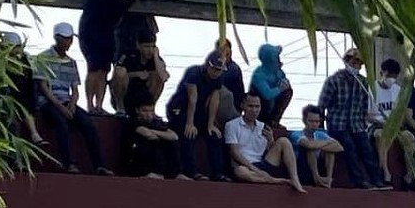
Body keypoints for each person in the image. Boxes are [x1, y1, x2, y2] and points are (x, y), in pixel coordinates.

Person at [34, 23, 112, 175]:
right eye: (65, 39)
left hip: (66, 101)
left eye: (70, 39)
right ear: (57, 38)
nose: (68, 42)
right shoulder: (42, 58)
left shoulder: (71, 62)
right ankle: (69, 163)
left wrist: (71, 104)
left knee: (88, 123)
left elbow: (75, 90)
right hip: (47, 102)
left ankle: (100, 165)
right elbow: (43, 88)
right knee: (61, 123)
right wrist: (61, 107)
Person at [320, 47, 392, 190]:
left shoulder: (363, 83)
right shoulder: (334, 81)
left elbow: (364, 106)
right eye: (355, 61)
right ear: (347, 61)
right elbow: (322, 105)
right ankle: (359, 182)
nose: (357, 65)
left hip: (357, 124)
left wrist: (363, 123)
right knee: (350, 148)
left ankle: (376, 180)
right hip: (337, 124)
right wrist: (321, 128)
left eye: (359, 63)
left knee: (367, 149)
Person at [166, 53, 229, 181]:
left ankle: (217, 173)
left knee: (214, 135)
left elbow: (214, 99)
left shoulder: (219, 78)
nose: (216, 73)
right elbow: (192, 98)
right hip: (180, 107)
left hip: (199, 110)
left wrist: (210, 124)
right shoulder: (194, 73)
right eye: (214, 69)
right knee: (187, 134)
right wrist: (190, 123)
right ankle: (191, 171)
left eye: (219, 70)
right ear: (207, 65)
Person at [225, 94, 306, 192]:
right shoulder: (232, 125)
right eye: (250, 106)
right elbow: (234, 152)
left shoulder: (263, 127)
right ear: (243, 106)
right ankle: (274, 181)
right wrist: (256, 170)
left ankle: (295, 179)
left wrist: (271, 141)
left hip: (263, 164)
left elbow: (272, 153)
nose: (254, 110)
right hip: (245, 165)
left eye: (257, 107)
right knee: (240, 172)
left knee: (284, 141)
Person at [76, 0, 130, 114]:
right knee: (94, 68)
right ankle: (90, 105)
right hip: (92, 29)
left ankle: (99, 105)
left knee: (104, 70)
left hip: (107, 31)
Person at [122, 98, 183, 179]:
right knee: (148, 141)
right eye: (145, 111)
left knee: (172, 143)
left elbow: (174, 136)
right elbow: (148, 135)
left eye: (151, 111)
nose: (148, 114)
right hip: (134, 159)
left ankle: (176, 173)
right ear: (137, 110)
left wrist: (154, 131)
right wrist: (160, 134)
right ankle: (149, 172)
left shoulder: (156, 122)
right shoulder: (132, 121)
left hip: (157, 155)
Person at [110, 28, 167, 115]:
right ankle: (120, 108)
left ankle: (151, 109)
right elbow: (116, 74)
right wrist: (135, 74)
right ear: (138, 45)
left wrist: (156, 56)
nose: (150, 50)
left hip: (144, 95)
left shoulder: (155, 59)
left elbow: (164, 77)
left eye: (152, 46)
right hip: (126, 94)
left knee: (157, 76)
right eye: (146, 46)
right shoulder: (127, 55)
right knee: (120, 72)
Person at [289, 104, 343, 189]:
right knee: (310, 149)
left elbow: (339, 147)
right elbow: (308, 145)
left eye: (317, 122)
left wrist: (320, 145)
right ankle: (316, 178)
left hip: (320, 166)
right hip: (301, 169)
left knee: (330, 151)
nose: (314, 124)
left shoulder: (320, 134)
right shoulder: (296, 134)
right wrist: (327, 143)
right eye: (311, 121)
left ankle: (328, 179)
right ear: (304, 120)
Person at [248, 43, 293, 126]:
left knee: (288, 91)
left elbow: (285, 85)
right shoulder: (259, 74)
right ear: (271, 59)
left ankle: (274, 120)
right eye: (277, 57)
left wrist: (283, 84)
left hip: (273, 105)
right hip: (262, 107)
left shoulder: (278, 72)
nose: (279, 59)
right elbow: (267, 94)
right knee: (263, 100)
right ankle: (263, 121)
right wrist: (279, 89)